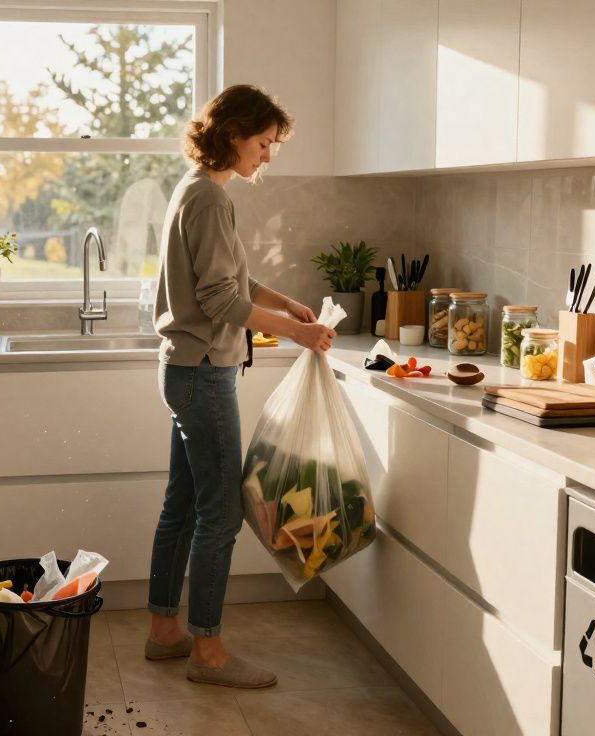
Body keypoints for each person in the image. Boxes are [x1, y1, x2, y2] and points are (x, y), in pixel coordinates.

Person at [145, 84, 337, 689]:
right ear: (233, 134)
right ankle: (207, 652)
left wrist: (287, 307)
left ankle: (164, 631)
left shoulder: (200, 191)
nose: (267, 155)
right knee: (220, 513)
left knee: (184, 503)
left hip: (187, 369)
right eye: (263, 142)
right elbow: (219, 297)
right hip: (204, 374)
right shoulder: (208, 197)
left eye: (272, 145)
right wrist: (296, 334)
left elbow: (238, 279)